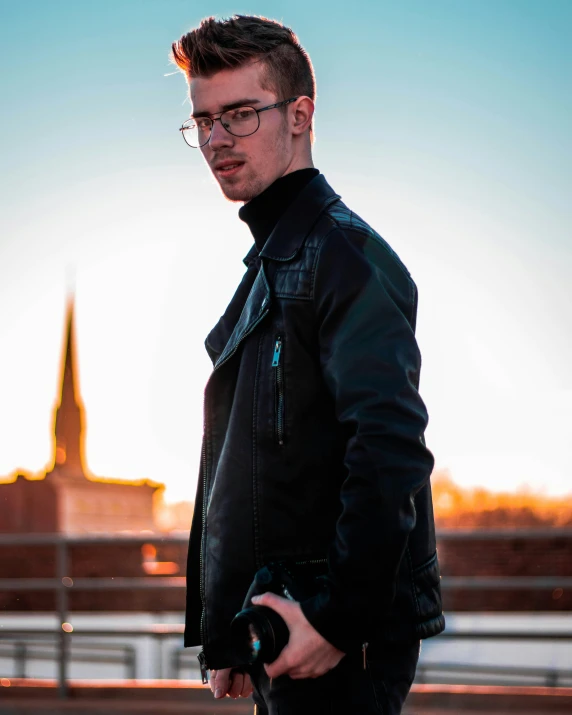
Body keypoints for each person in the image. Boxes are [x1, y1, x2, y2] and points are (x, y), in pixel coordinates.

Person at [170, 14, 445, 714]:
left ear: (299, 114)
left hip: (331, 637)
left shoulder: (343, 256)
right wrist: (232, 629)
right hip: (285, 624)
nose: (215, 139)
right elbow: (261, 466)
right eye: (202, 120)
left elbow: (388, 449)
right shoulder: (271, 265)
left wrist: (337, 619)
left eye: (238, 114)